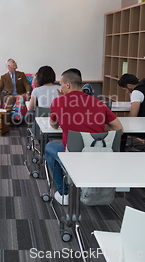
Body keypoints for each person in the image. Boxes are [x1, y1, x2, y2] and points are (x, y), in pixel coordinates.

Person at [45, 68, 123, 205]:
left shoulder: (58, 102)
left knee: (50, 146)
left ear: (67, 85)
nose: (60, 87)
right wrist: (96, 125)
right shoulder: (99, 103)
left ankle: (64, 193)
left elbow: (54, 126)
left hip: (72, 158)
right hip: (98, 156)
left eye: (61, 84)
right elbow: (119, 129)